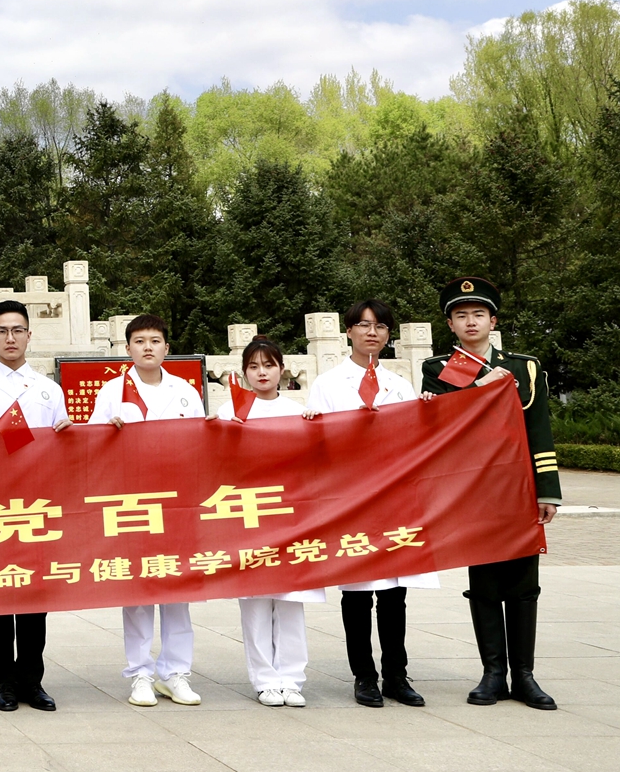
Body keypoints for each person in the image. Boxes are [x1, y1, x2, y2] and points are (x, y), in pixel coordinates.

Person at [423, 277, 561, 711]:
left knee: (523, 585)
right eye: (461, 315)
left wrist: (548, 490)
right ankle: (492, 673)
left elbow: (538, 429)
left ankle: (524, 675)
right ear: (450, 323)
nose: (470, 321)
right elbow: (441, 421)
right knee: (483, 583)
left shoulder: (525, 367)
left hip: (518, 488)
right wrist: (481, 387)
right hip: (473, 489)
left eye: (478, 314)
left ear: (492, 320)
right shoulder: (438, 367)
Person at [307, 299, 430, 708]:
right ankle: (364, 676)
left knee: (395, 593)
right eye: (363, 325)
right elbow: (316, 445)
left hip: (393, 499)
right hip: (351, 500)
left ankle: (397, 674)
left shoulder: (401, 384)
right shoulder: (327, 383)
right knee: (357, 592)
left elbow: (415, 440)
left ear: (388, 334)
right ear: (349, 332)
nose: (371, 332)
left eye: (379, 326)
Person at [0, 299, 70, 712]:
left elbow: (65, 448)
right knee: (0, 596)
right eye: (1, 331)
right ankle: (4, 681)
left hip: (37, 504)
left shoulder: (49, 389)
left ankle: (32, 680)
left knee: (34, 598)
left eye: (17, 330)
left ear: (28, 335)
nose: (9, 338)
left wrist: (66, 433)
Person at [90, 314, 207, 709]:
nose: (147, 347)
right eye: (139, 341)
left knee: (177, 588)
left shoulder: (186, 391)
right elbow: (90, 446)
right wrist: (109, 431)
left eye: (155, 341)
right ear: (127, 349)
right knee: (138, 589)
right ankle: (140, 674)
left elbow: (201, 445)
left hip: (176, 504)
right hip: (132, 502)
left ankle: (176, 673)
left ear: (166, 348)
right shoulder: (111, 392)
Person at [211, 336, 322, 708]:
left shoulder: (298, 411)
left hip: (290, 517)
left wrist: (313, 427)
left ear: (281, 370)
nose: (262, 372)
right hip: (248, 516)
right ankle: (264, 679)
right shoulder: (230, 413)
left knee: (291, 600)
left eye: (269, 365)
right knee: (256, 601)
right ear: (243, 373)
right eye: (254, 366)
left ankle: (292, 678)